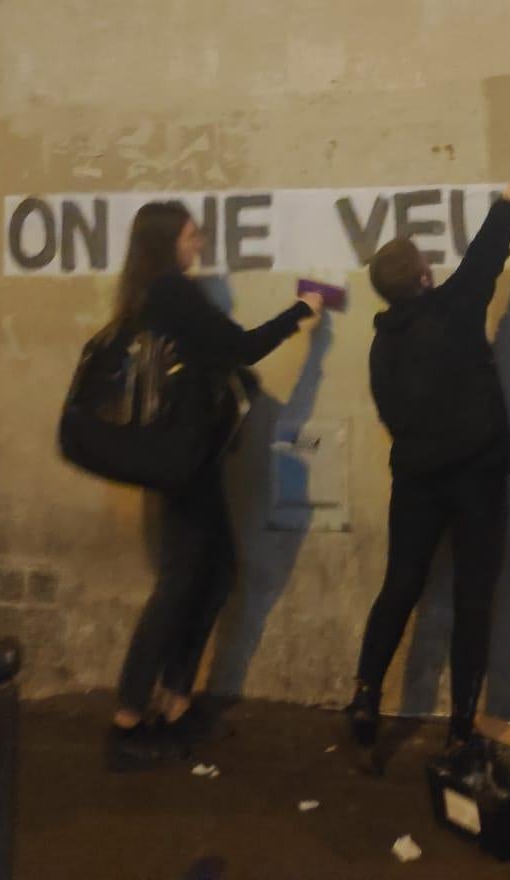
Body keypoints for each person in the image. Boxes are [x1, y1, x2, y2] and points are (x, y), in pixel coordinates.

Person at [105, 200, 322, 770]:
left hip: (188, 459)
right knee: (182, 581)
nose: (198, 242)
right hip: (183, 461)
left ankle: (175, 700)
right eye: (190, 234)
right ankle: (130, 714)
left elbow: (212, 359)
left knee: (215, 572)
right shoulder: (172, 293)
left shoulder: (152, 295)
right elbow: (238, 347)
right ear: (166, 241)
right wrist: (301, 310)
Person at [345, 165, 510, 752]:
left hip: (417, 482)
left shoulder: (383, 346)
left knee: (400, 585)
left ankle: (363, 699)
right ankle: (461, 723)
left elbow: (391, 416)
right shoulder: (456, 307)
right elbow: (487, 254)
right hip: (478, 479)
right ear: (427, 276)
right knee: (475, 595)